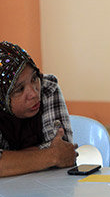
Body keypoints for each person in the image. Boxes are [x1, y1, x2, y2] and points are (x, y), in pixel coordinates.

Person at [0, 41, 77, 177]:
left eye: (34, 78)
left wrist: (9, 160)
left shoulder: (48, 89)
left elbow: (65, 153)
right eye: (20, 89)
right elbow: (57, 154)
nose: (34, 94)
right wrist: (51, 155)